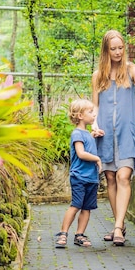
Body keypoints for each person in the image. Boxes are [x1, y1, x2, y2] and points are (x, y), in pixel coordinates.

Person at [91, 30, 135, 246]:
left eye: (120, 48)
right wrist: (94, 124)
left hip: (127, 132)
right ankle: (119, 223)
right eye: (113, 49)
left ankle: (118, 227)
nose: (118, 52)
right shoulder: (98, 76)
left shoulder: (131, 70)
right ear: (106, 50)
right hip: (106, 135)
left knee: (123, 177)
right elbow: (95, 106)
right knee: (110, 178)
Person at [55, 99, 102, 248]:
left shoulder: (87, 133)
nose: (94, 114)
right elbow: (81, 153)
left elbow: (87, 144)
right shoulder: (77, 134)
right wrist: (97, 159)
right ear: (80, 115)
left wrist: (94, 137)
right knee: (76, 205)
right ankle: (63, 233)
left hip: (91, 178)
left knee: (87, 207)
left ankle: (79, 235)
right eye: (90, 112)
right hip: (79, 177)